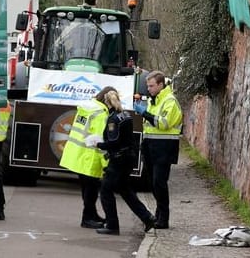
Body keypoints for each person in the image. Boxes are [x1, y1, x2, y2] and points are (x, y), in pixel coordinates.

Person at [92, 89, 156, 235]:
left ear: (106, 103)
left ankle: (112, 225)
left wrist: (98, 145)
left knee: (106, 191)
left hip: (119, 160)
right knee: (126, 191)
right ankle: (147, 218)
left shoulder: (113, 119)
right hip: (128, 158)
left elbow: (114, 141)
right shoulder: (126, 115)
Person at [59, 86, 114, 229]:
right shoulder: (101, 114)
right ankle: (87, 218)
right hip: (89, 157)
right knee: (91, 189)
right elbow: (99, 140)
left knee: (87, 188)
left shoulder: (87, 108)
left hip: (77, 154)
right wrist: (106, 163)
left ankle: (92, 214)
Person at [134, 70, 183, 229]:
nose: (149, 89)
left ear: (161, 85)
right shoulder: (153, 100)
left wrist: (145, 113)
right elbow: (149, 125)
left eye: (152, 86)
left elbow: (163, 123)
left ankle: (164, 218)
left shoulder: (170, 101)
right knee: (153, 183)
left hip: (164, 146)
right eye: (148, 86)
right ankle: (158, 214)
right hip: (150, 145)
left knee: (159, 182)